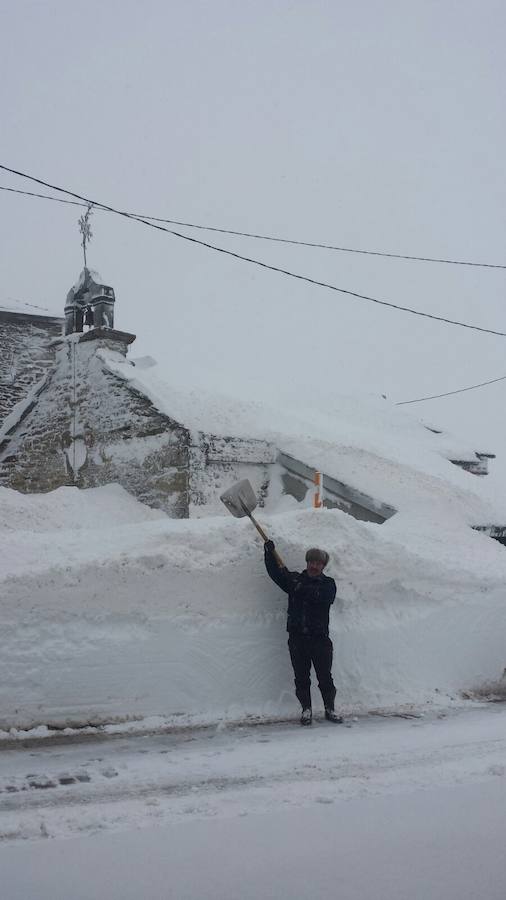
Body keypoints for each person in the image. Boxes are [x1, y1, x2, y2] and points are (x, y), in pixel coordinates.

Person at [264, 540, 342, 726]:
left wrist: (300, 588)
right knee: (301, 677)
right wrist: (269, 554)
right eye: (311, 562)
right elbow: (276, 574)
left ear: (323, 566)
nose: (314, 566)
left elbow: (322, 597)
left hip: (320, 639)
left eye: (318, 563)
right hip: (297, 639)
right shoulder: (295, 580)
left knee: (325, 677)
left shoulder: (328, 584)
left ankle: (330, 708)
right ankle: (306, 709)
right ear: (307, 563)